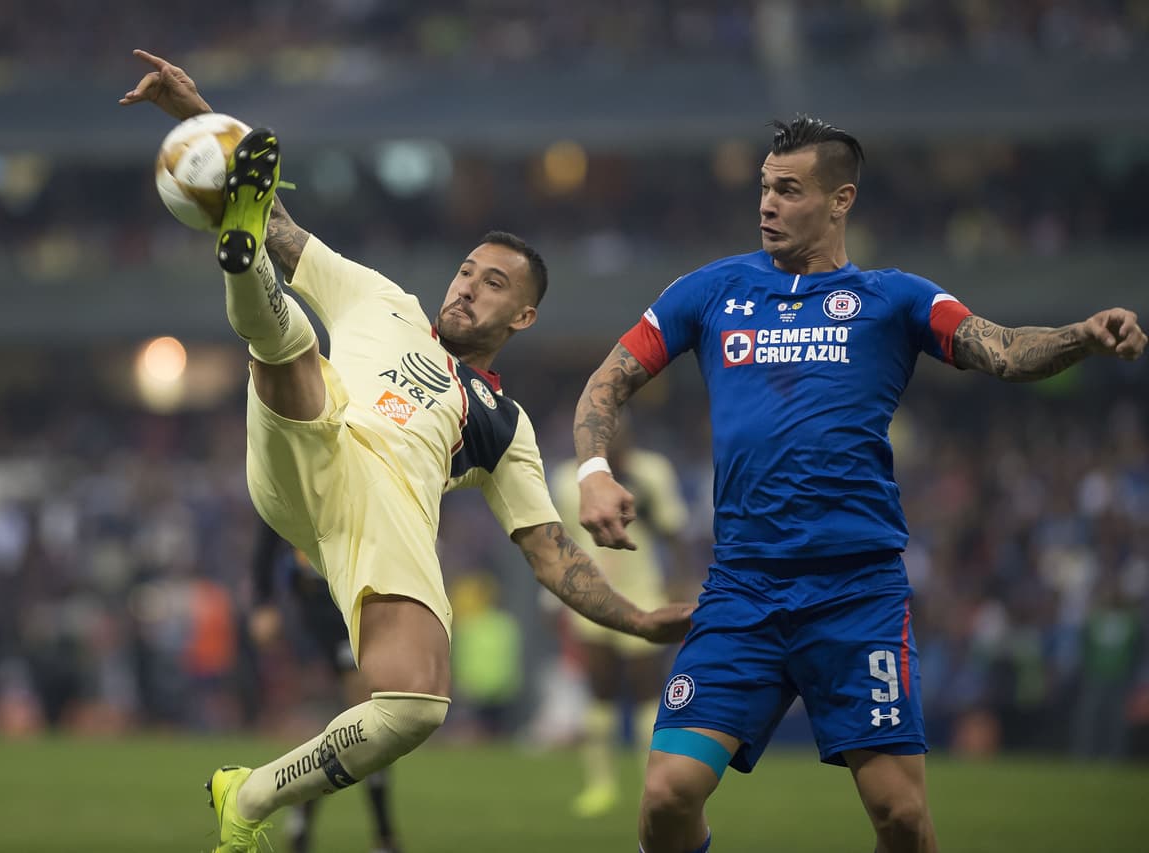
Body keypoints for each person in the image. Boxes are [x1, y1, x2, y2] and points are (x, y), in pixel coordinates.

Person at [119, 49, 694, 853]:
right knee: (294, 345)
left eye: (493, 284)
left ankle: (246, 795)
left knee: (417, 704)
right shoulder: (382, 299)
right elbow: (279, 222)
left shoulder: (501, 422)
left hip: (376, 520)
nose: (467, 286)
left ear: (522, 317)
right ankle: (241, 270)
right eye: (466, 271)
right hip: (306, 442)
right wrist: (196, 113)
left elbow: (548, 549)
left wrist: (637, 619)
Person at [572, 115, 1147, 853]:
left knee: (901, 818)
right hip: (743, 588)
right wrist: (594, 470)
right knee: (665, 795)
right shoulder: (711, 290)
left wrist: (1081, 335)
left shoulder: (897, 299)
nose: (767, 203)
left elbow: (1002, 350)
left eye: (789, 190)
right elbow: (608, 380)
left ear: (840, 199)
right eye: (765, 187)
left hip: (855, 593)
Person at [548, 418, 691, 818]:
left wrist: (680, 584)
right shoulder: (567, 479)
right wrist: (552, 599)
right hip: (591, 596)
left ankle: (653, 782)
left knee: (648, 690)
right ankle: (600, 786)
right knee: (600, 690)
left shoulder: (652, 473)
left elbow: (673, 532)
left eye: (621, 435)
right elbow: (558, 543)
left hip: (644, 592)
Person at [248, 519, 402, 853]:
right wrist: (263, 602)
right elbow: (268, 535)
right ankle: (382, 836)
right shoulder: (297, 489)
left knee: (362, 718)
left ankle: (307, 817)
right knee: (363, 715)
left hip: (361, 598)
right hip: (317, 605)